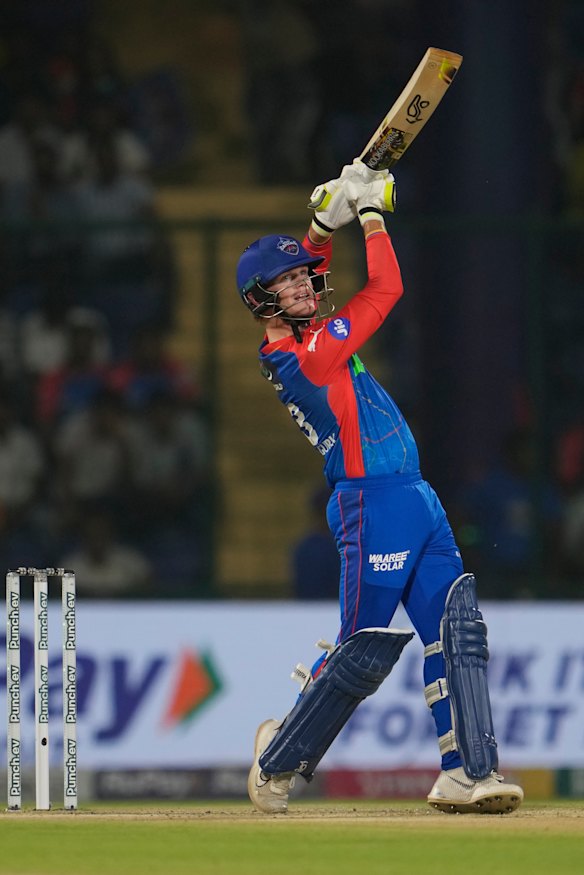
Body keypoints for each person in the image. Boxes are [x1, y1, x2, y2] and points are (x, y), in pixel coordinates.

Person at [235, 160, 524, 816]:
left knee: (457, 629)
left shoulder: (308, 333)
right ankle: (277, 760)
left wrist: (319, 225)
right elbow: (387, 287)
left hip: (416, 496)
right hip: (370, 503)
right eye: (286, 281)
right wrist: (369, 214)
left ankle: (468, 773)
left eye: (304, 274)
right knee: (362, 650)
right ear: (260, 301)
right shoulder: (309, 357)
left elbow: (308, 261)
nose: (304, 283)